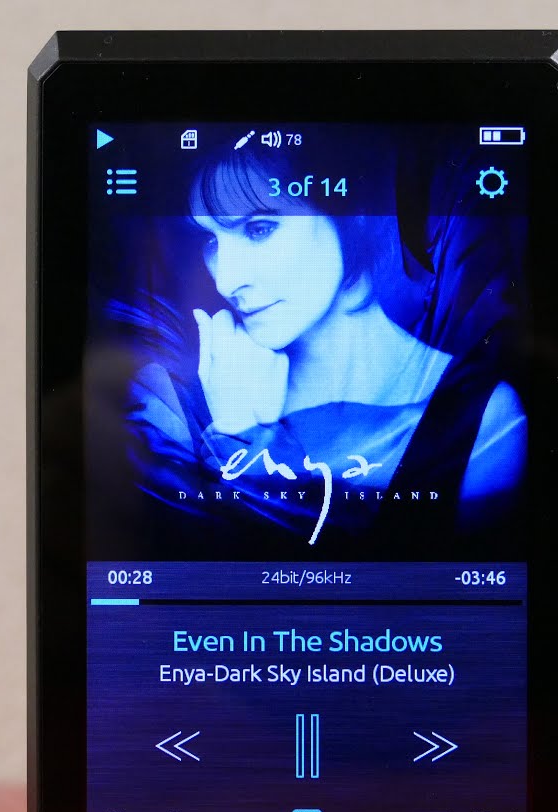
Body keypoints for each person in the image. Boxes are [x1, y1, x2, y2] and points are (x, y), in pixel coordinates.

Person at [120, 141, 526, 549]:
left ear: (354, 215)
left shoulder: (483, 420)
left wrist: (247, 453)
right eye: (210, 241)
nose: (226, 281)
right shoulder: (172, 403)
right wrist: (235, 437)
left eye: (259, 229)